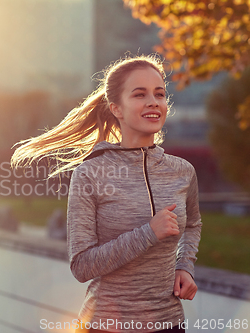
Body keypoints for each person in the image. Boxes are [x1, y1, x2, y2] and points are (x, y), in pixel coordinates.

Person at [11, 55, 202, 333]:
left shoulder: (182, 172)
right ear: (117, 109)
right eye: (140, 94)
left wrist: (185, 266)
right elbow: (82, 266)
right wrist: (148, 233)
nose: (153, 101)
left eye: (159, 94)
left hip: (169, 324)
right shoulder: (90, 174)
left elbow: (193, 224)